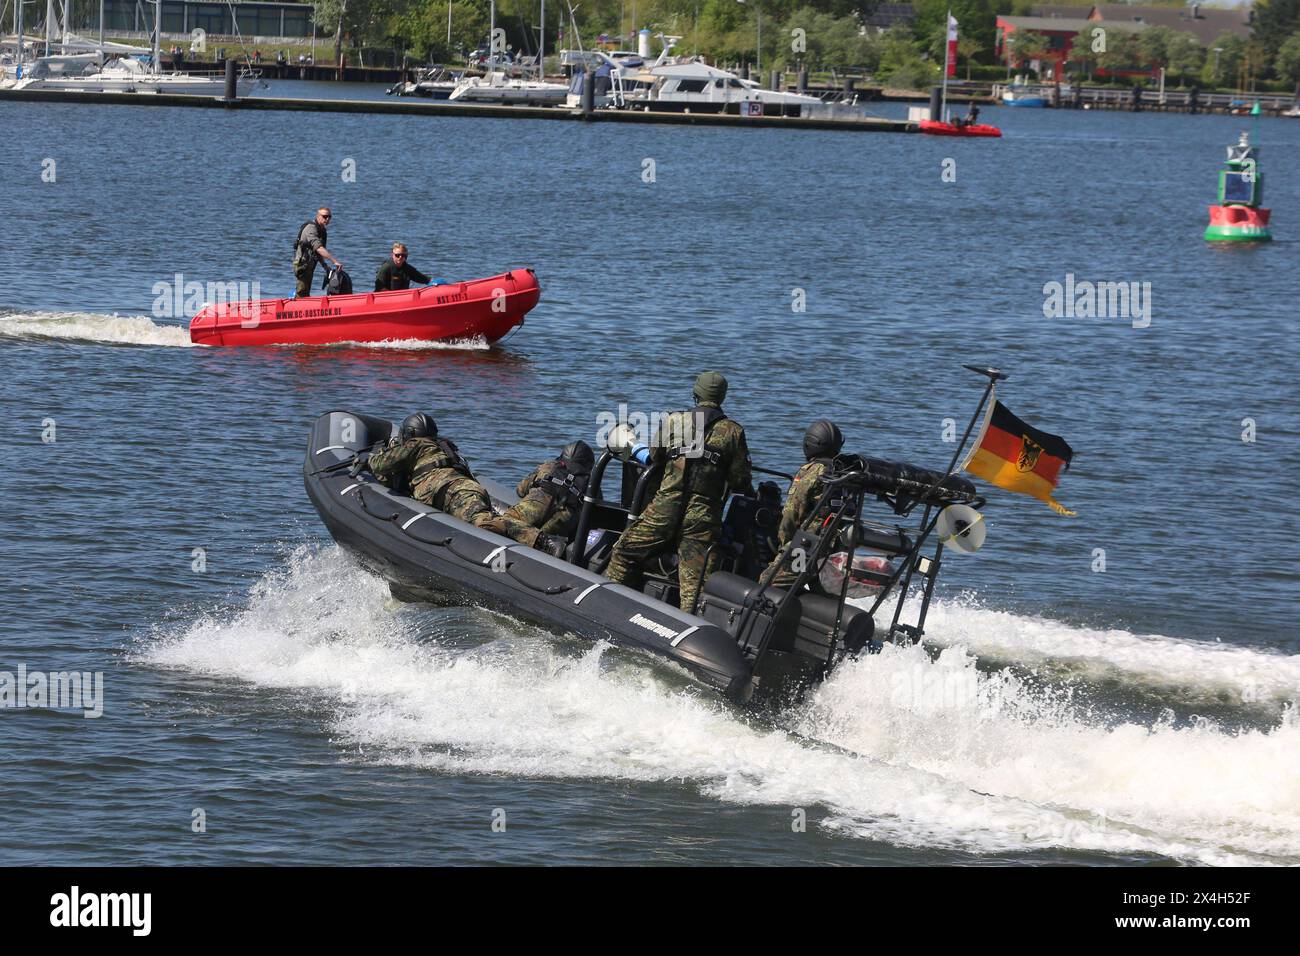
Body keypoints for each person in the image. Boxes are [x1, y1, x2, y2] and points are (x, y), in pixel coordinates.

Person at [606, 371, 753, 613]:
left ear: (696, 394)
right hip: (701, 519)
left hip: (663, 511)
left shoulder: (674, 421)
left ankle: (611, 607)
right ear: (722, 397)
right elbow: (740, 481)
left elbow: (655, 457)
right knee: (694, 588)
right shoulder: (733, 432)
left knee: (624, 552)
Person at [367, 414, 566, 554]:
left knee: (483, 523)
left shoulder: (416, 444)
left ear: (411, 434)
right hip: (464, 489)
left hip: (455, 492)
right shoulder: (443, 449)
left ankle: (544, 541)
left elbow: (380, 464)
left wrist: (374, 454)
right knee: (484, 521)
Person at [761, 419, 844, 589]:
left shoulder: (812, 471)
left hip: (806, 546)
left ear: (809, 444)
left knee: (767, 583)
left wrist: (783, 545)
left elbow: (791, 516)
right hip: (835, 548)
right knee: (814, 585)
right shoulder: (844, 474)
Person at [483, 441, 594, 555]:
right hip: (563, 522)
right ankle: (549, 542)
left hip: (537, 505)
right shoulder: (592, 484)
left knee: (496, 522)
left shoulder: (549, 466)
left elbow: (521, 490)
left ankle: (538, 539)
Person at [293, 208, 342, 298]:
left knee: (306, 291)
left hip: (310, 264)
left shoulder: (322, 230)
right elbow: (318, 248)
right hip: (302, 265)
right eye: (324, 217)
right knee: (302, 292)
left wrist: (325, 266)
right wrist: (334, 261)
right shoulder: (311, 228)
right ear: (318, 216)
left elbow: (318, 252)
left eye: (329, 217)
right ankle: (297, 307)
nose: (327, 219)